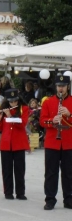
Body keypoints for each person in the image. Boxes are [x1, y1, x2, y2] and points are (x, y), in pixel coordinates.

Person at [39, 75, 72, 210]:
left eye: (63, 86)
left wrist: (69, 115)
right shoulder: (48, 102)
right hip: (52, 142)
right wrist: (52, 120)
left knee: (69, 172)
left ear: (67, 87)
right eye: (59, 86)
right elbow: (42, 121)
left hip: (69, 142)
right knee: (51, 172)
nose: (61, 88)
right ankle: (50, 199)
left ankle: (69, 198)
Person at [0, 88, 29, 200]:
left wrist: (10, 116)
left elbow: (23, 124)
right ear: (7, 101)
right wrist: (0, 117)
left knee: (20, 169)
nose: (13, 103)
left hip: (19, 143)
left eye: (15, 101)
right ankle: (8, 192)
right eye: (11, 102)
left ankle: (20, 192)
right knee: (6, 169)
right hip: (6, 143)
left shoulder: (24, 109)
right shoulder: (4, 109)